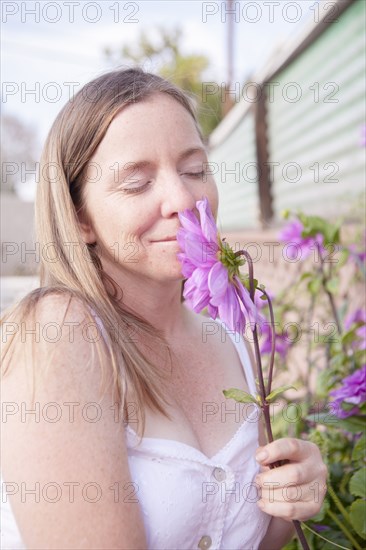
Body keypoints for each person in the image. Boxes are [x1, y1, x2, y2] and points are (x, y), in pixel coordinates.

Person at [1, 68, 327, 550]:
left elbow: (249, 539)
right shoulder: (60, 334)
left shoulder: (230, 334)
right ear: (80, 218)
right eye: (136, 183)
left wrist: (296, 496)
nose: (183, 199)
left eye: (195, 170)